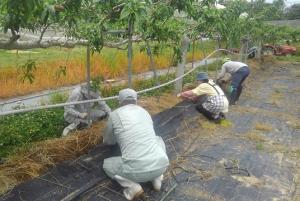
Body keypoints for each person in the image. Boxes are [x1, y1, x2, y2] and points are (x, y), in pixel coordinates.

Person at [102, 88, 169, 200]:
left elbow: (108, 141)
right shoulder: (145, 112)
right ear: (136, 100)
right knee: (158, 140)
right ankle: (157, 178)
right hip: (162, 165)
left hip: (135, 172)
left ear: (120, 101)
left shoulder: (114, 115)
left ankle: (133, 187)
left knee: (107, 164)